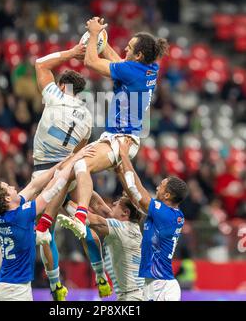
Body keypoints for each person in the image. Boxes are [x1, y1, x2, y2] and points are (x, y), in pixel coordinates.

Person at [57, 17, 168, 240]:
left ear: (138, 56)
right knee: (68, 170)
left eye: (130, 47)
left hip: (120, 140)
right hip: (123, 137)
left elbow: (90, 62)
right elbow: (119, 62)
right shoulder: (149, 69)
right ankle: (73, 211)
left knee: (80, 166)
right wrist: (103, 42)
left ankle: (78, 217)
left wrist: (94, 35)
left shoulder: (131, 71)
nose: (125, 47)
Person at [33, 43, 112, 300]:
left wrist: (70, 53)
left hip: (44, 172)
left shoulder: (54, 96)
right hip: (69, 170)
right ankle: (101, 277)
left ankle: (56, 285)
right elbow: (78, 153)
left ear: (62, 86)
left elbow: (40, 63)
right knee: (83, 222)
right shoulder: (87, 117)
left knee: (46, 231)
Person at [0, 147, 94, 301]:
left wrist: (61, 164)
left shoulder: (7, 214)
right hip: (14, 291)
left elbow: (34, 185)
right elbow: (53, 188)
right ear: (7, 199)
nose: (13, 187)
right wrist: (75, 159)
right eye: (8, 188)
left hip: (7, 286)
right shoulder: (21, 215)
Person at [116, 137, 189, 301]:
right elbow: (134, 195)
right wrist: (120, 170)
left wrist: (124, 155)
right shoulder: (167, 214)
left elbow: (138, 192)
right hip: (153, 284)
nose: (157, 187)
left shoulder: (166, 215)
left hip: (162, 286)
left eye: (161, 185)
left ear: (167, 195)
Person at [83, 195, 145, 301]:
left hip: (133, 297)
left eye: (118, 202)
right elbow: (97, 203)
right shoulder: (128, 228)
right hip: (131, 295)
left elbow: (89, 218)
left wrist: (63, 200)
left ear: (125, 212)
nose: (114, 203)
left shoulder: (122, 228)